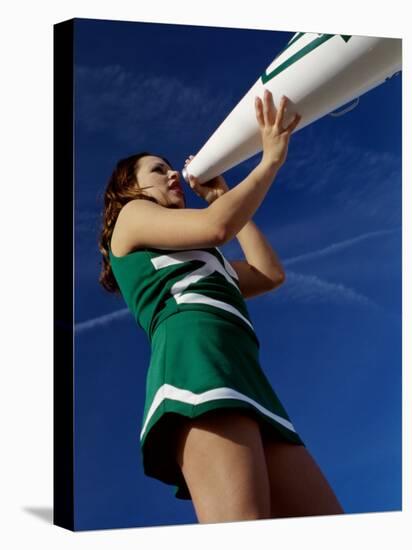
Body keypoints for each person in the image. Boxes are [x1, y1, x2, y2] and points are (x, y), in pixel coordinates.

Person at [98, 89, 344, 524]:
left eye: (172, 167)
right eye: (159, 170)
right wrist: (269, 162)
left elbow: (269, 273)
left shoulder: (206, 260)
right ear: (131, 186)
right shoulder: (130, 217)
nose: (174, 174)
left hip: (246, 374)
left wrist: (220, 198)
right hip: (197, 366)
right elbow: (216, 227)